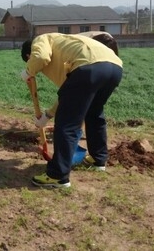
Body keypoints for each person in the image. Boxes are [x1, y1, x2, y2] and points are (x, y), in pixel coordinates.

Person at [20, 33, 123, 188]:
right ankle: (98, 159)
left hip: (89, 68)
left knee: (67, 123)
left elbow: (40, 57)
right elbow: (69, 95)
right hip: (114, 67)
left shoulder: (41, 39)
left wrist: (28, 71)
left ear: (29, 54)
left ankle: (57, 175)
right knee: (94, 113)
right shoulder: (66, 49)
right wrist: (47, 115)